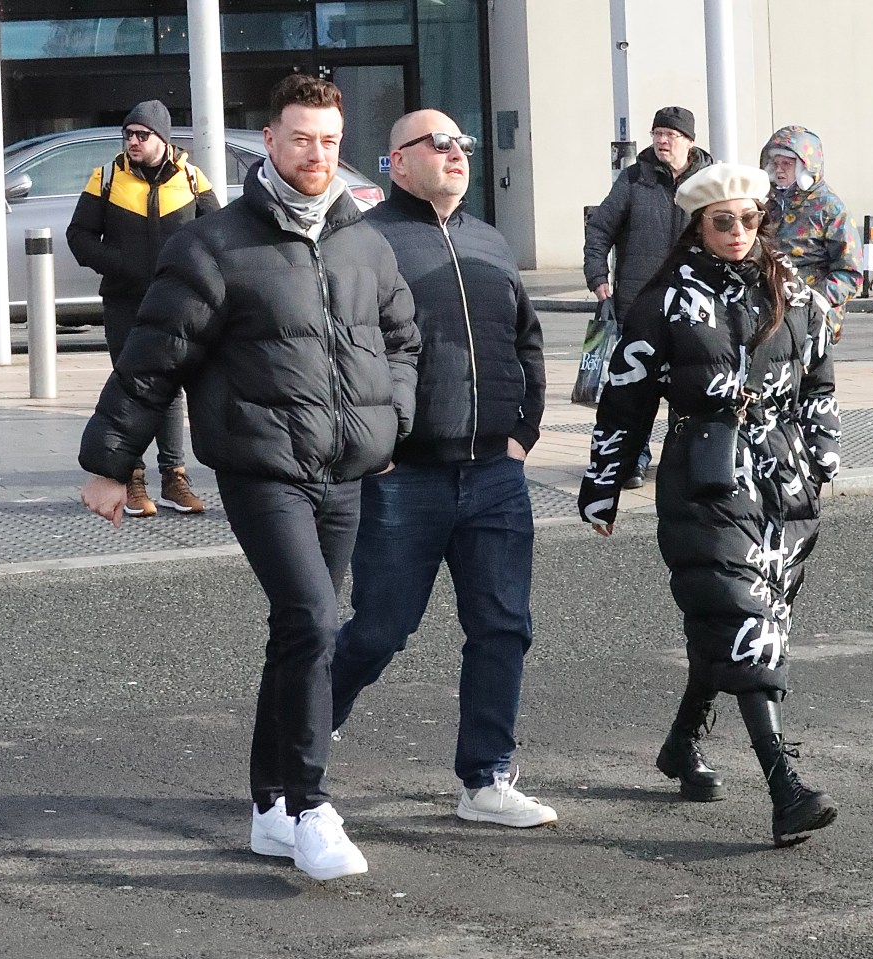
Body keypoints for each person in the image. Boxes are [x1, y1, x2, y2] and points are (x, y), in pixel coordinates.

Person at [78, 75, 420, 880]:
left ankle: (268, 803)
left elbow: (403, 338)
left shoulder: (364, 238)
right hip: (260, 465)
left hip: (343, 469)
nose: (316, 154)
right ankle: (309, 805)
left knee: (298, 631)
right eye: (301, 138)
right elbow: (153, 357)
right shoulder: (214, 243)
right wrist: (108, 462)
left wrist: (391, 421)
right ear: (267, 140)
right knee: (312, 613)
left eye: (330, 140)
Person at [577, 164, 841, 848]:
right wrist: (602, 486)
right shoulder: (663, 299)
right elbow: (624, 398)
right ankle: (783, 785)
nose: (735, 232)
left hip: (782, 479)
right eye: (721, 221)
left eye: (747, 219)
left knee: (743, 617)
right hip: (704, 473)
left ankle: (681, 742)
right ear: (697, 224)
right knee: (741, 612)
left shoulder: (793, 290)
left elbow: (817, 376)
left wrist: (821, 456)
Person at [329, 109, 556, 829]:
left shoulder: (490, 239)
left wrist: (523, 431)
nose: (456, 153)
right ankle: (303, 735)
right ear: (397, 161)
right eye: (439, 143)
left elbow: (527, 341)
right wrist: (377, 444)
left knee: (502, 626)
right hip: (404, 476)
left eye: (461, 143)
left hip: (495, 472)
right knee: (379, 628)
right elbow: (342, 353)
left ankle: (485, 779)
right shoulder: (365, 243)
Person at [67, 99, 220, 518]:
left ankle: (173, 476)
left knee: (170, 387)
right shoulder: (106, 179)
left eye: (142, 135)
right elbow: (78, 236)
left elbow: (218, 234)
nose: (133, 141)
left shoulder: (191, 178)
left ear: (163, 139)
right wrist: (120, 264)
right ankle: (133, 478)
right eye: (128, 134)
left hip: (176, 303)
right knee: (131, 385)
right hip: (125, 302)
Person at [583, 106, 712, 489]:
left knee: (690, 389)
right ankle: (632, 460)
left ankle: (686, 458)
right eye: (657, 133)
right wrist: (598, 277)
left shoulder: (708, 182)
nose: (661, 141)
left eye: (670, 135)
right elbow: (600, 229)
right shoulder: (634, 179)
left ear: (689, 141)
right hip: (638, 306)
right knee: (634, 392)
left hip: (694, 306)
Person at [760, 125, 863, 343]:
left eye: (787, 164)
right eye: (775, 163)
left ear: (805, 167)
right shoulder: (765, 203)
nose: (779, 170)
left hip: (813, 316)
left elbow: (850, 272)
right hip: (770, 309)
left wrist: (815, 299)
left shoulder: (830, 209)